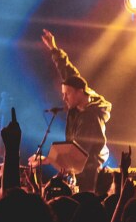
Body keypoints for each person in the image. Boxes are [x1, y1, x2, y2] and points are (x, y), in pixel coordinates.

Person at [31, 29, 111, 194]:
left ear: (80, 92)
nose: (64, 98)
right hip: (79, 173)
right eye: (62, 94)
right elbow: (68, 73)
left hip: (90, 178)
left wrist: (48, 160)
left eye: (67, 94)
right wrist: (53, 49)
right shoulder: (78, 103)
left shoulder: (91, 117)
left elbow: (79, 151)